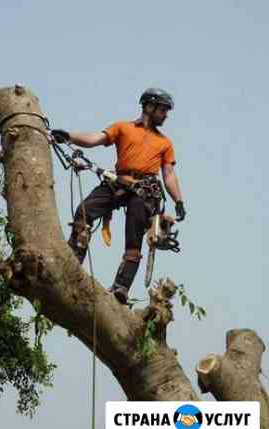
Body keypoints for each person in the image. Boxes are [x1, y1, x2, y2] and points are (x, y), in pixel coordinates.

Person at [51, 87, 186, 304]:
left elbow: (169, 174)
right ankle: (73, 262)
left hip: (146, 189)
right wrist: (69, 136)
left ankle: (121, 288)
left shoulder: (165, 142)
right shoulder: (123, 127)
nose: (165, 115)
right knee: (84, 211)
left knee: (134, 240)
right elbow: (95, 138)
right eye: (162, 109)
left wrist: (178, 200)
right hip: (119, 181)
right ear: (149, 106)